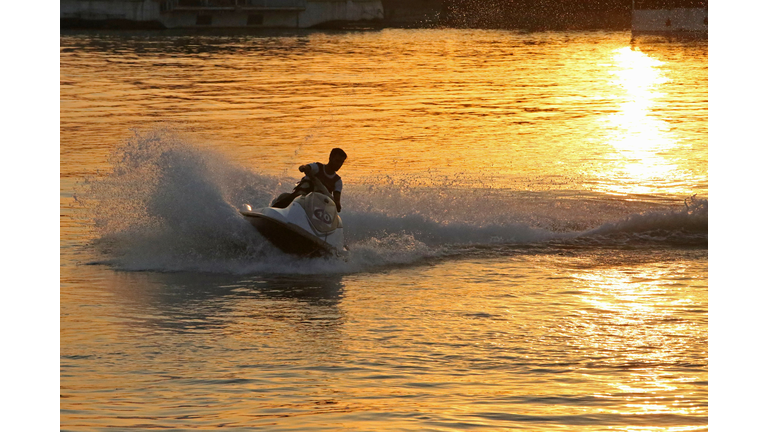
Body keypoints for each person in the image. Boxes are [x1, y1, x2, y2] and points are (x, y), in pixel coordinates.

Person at [271, 148, 347, 212]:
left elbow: (337, 202)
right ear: (330, 158)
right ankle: (272, 211)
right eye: (337, 161)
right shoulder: (317, 167)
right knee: (296, 192)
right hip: (299, 199)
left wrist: (337, 204)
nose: (339, 164)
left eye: (342, 162)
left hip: (316, 208)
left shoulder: (337, 181)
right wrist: (305, 168)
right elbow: (308, 167)